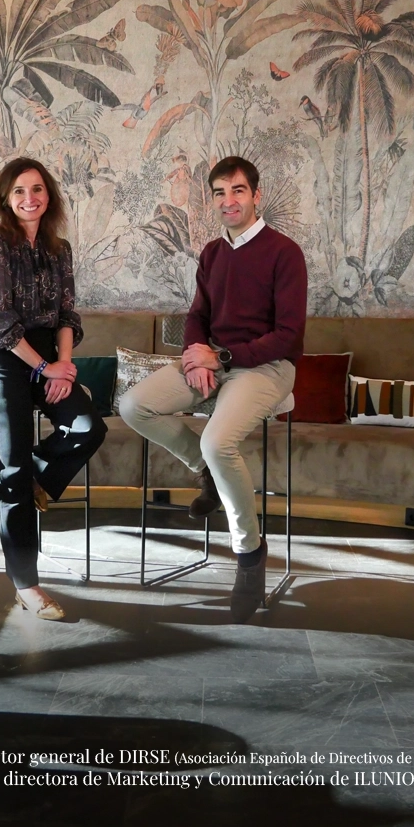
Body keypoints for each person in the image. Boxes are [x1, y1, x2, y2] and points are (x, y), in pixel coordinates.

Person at [119, 157, 307, 622]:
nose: (229, 201)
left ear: (256, 195)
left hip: (267, 367)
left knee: (218, 440)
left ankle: (249, 555)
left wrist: (220, 359)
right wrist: (194, 356)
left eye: (238, 190)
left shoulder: (285, 253)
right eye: (220, 193)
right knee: (134, 405)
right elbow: (197, 315)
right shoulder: (213, 253)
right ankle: (206, 473)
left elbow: (288, 337)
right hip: (215, 361)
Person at [0, 157, 107, 620]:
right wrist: (45, 368)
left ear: (48, 195)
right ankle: (26, 585)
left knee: (88, 428)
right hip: (5, 360)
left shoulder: (59, 249)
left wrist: (63, 366)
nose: (29, 198)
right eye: (19, 191)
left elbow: (68, 314)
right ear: (6, 199)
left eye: (37, 189)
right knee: (10, 468)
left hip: (50, 358)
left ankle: (34, 479)